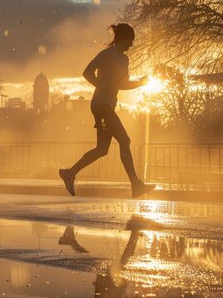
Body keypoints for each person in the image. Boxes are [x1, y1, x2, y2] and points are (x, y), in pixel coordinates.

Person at [59, 23, 155, 198]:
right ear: (123, 39)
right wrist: (101, 86)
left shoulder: (124, 60)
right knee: (125, 140)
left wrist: (141, 83)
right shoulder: (106, 54)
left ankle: (69, 173)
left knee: (102, 149)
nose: (131, 45)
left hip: (108, 105)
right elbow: (87, 72)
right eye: (130, 41)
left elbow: (122, 85)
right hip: (100, 105)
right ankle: (136, 184)